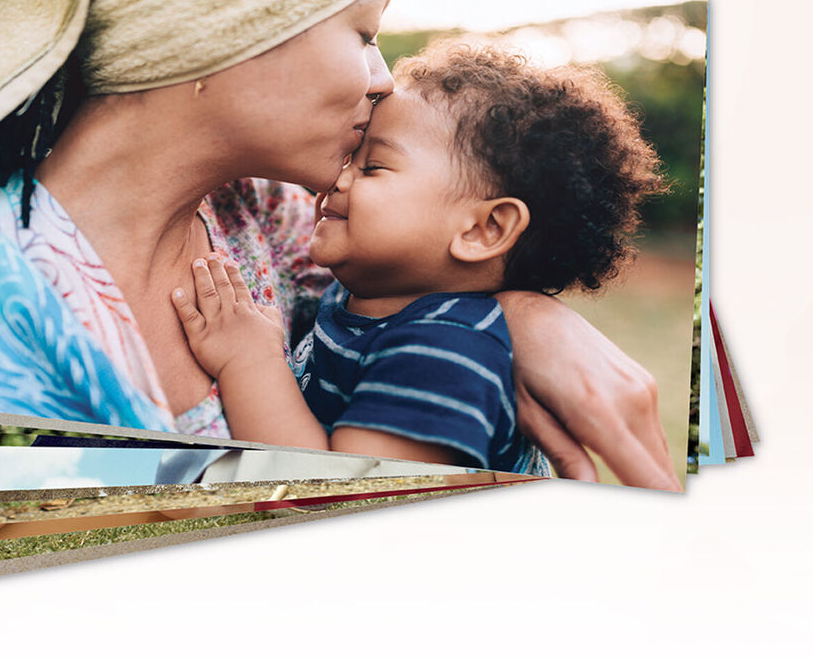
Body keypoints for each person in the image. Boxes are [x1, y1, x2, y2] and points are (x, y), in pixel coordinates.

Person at [0, 0, 679, 490]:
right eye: (363, 32)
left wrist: (520, 310)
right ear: (218, 35)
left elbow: (429, 278)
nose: (381, 79)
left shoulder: (266, 219)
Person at [172, 41, 669, 476]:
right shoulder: (368, 295)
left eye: (374, 167)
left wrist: (250, 361)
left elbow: (338, 496)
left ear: (483, 229)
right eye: (350, 161)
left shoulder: (444, 352)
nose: (337, 181)